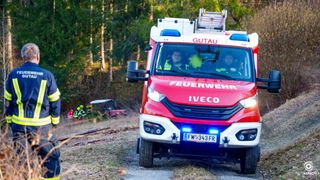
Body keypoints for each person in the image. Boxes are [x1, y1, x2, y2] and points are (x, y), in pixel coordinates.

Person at [4, 43, 61, 179]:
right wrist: (55, 121)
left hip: (19, 128)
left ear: (23, 57)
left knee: (22, 163)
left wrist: (10, 121)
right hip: (42, 128)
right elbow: (55, 101)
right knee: (51, 159)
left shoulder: (13, 75)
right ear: (38, 57)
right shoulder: (47, 75)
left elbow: (7, 101)